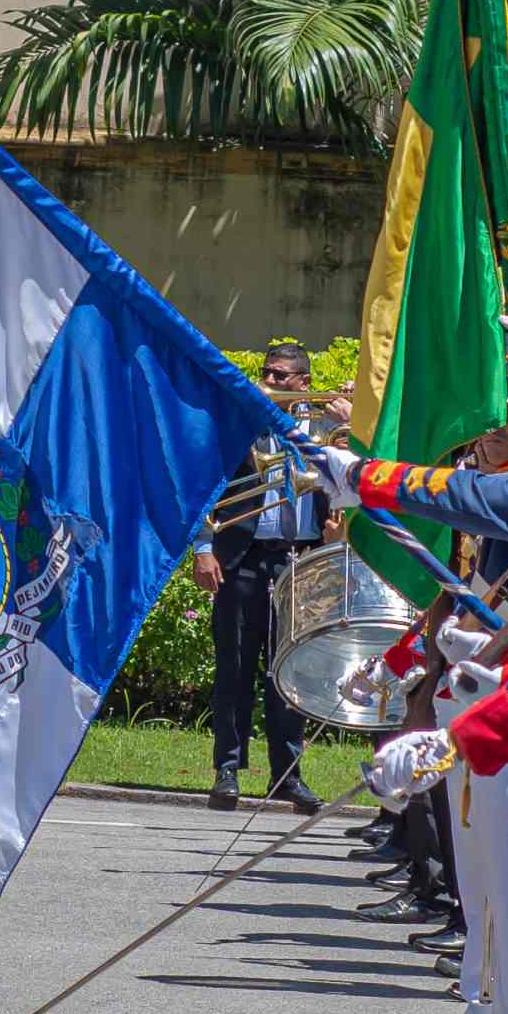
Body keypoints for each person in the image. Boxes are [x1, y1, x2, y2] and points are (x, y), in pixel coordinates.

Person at [191, 342, 324, 812]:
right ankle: (227, 770)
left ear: (304, 383)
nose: (269, 382)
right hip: (242, 557)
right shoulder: (240, 424)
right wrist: (204, 546)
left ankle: (286, 775)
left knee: (289, 672)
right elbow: (202, 485)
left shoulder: (327, 429)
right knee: (234, 669)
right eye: (266, 373)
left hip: (302, 560)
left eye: (281, 375)